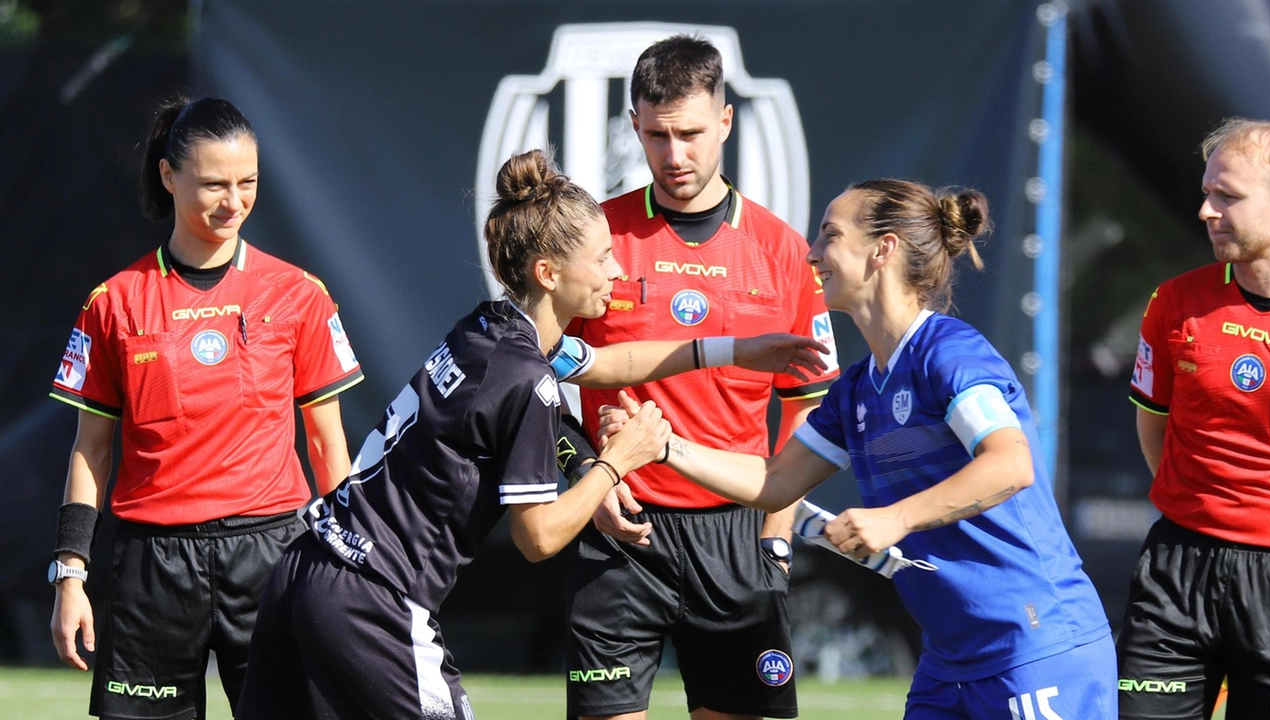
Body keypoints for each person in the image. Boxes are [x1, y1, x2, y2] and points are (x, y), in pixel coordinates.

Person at [234, 149, 828, 720]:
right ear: (549, 273)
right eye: (601, 259)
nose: (617, 271)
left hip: (304, 568)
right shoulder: (528, 379)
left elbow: (612, 365)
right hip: (374, 598)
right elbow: (538, 537)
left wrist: (738, 349)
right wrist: (617, 462)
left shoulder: (488, 329)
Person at [604, 179, 1117, 719]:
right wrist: (663, 446)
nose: (812, 252)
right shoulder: (855, 390)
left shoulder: (950, 353)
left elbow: (1011, 465)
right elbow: (775, 481)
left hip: (1037, 647)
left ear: (883, 250)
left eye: (830, 235)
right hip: (950, 662)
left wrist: (896, 518)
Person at [47, 95, 365, 720]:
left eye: (248, 183)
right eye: (215, 184)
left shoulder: (300, 294)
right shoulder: (113, 302)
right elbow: (91, 449)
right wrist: (70, 573)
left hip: (274, 554)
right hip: (152, 566)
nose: (235, 202)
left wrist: (355, 563)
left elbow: (329, 447)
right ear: (169, 176)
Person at [565, 34, 841, 720]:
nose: (675, 154)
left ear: (725, 121)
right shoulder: (598, 238)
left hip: (736, 537)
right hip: (621, 531)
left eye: (690, 133)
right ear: (634, 125)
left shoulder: (783, 252)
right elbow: (534, 382)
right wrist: (584, 479)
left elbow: (808, 413)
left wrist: (776, 541)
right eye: (657, 135)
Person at [1122, 118, 1270, 719]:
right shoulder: (1176, 301)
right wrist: (1201, 510)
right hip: (1177, 569)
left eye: (1229, 196)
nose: (1206, 211)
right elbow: (1154, 426)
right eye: (1207, 192)